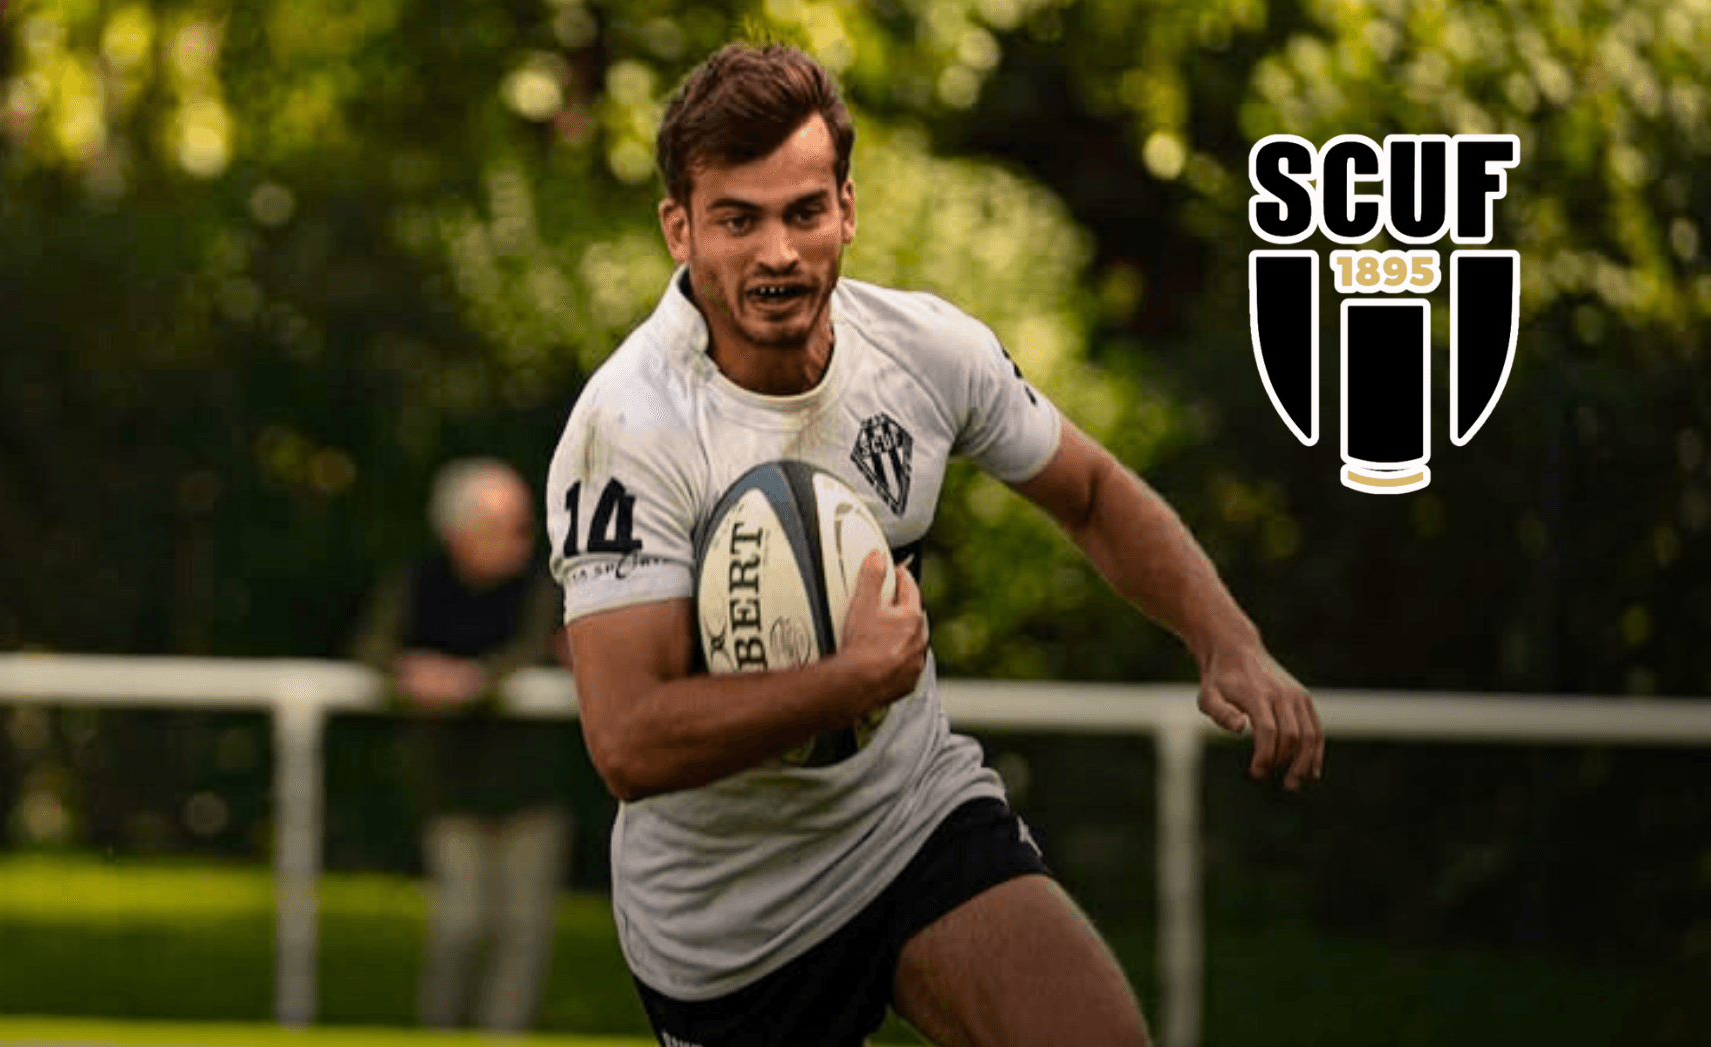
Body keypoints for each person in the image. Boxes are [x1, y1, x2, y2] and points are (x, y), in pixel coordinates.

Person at [544, 43, 1325, 1046]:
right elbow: (628, 739)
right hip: (727, 925)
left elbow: (1088, 492)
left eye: (803, 211)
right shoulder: (629, 428)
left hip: (910, 820)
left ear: (848, 211)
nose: (777, 252)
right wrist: (852, 679)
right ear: (678, 229)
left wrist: (1228, 641)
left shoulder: (923, 351)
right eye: (737, 219)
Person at [350, 457, 578, 1032]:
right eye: (505, 527)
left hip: (531, 789)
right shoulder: (417, 584)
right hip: (449, 784)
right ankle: (441, 1034)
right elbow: (371, 647)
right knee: (462, 923)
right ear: (459, 532)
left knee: (523, 930)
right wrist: (409, 673)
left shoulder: (542, 588)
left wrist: (470, 683)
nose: (521, 540)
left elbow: (531, 651)